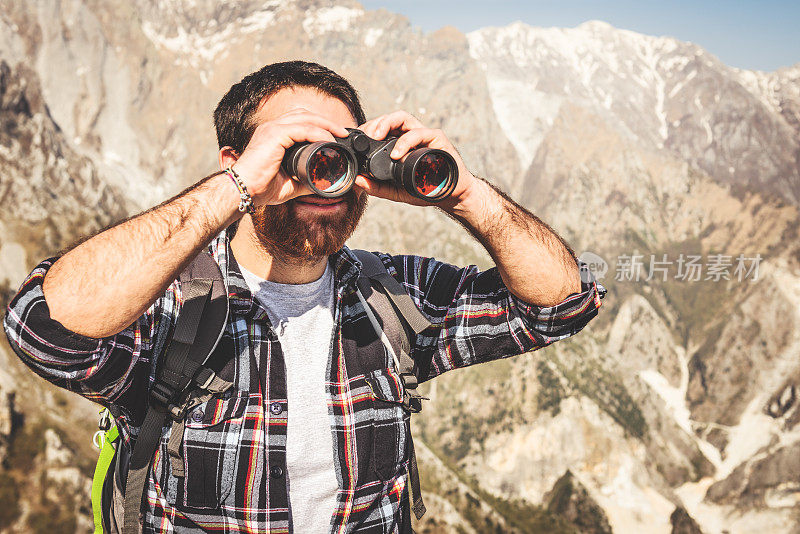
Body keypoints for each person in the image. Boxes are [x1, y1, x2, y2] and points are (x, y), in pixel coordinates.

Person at [3, 60, 603, 533]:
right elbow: (42, 331)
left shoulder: (389, 297)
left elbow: (560, 304)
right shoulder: (173, 307)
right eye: (297, 152)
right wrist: (236, 190)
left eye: (341, 153)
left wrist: (465, 194)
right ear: (237, 162)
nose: (325, 177)